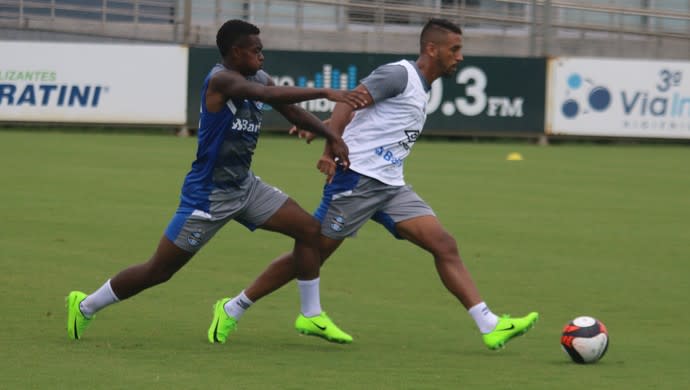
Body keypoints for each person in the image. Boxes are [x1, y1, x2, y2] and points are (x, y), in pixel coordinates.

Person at [213, 18, 538, 350]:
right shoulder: (399, 74)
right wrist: (330, 145)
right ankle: (233, 307)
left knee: (443, 244)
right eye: (454, 49)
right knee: (310, 256)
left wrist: (323, 126)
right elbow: (347, 101)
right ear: (431, 48)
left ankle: (489, 324)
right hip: (356, 181)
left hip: (390, 187)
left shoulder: (424, 86)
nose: (460, 56)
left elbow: (370, 117)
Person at [66, 19, 369, 344]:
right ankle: (85, 306)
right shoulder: (221, 80)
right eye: (256, 51)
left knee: (309, 230)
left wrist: (331, 136)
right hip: (208, 196)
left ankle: (311, 315)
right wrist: (324, 90)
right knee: (159, 271)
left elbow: (292, 112)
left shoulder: (258, 76)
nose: (262, 56)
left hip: (245, 187)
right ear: (236, 52)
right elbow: (266, 93)